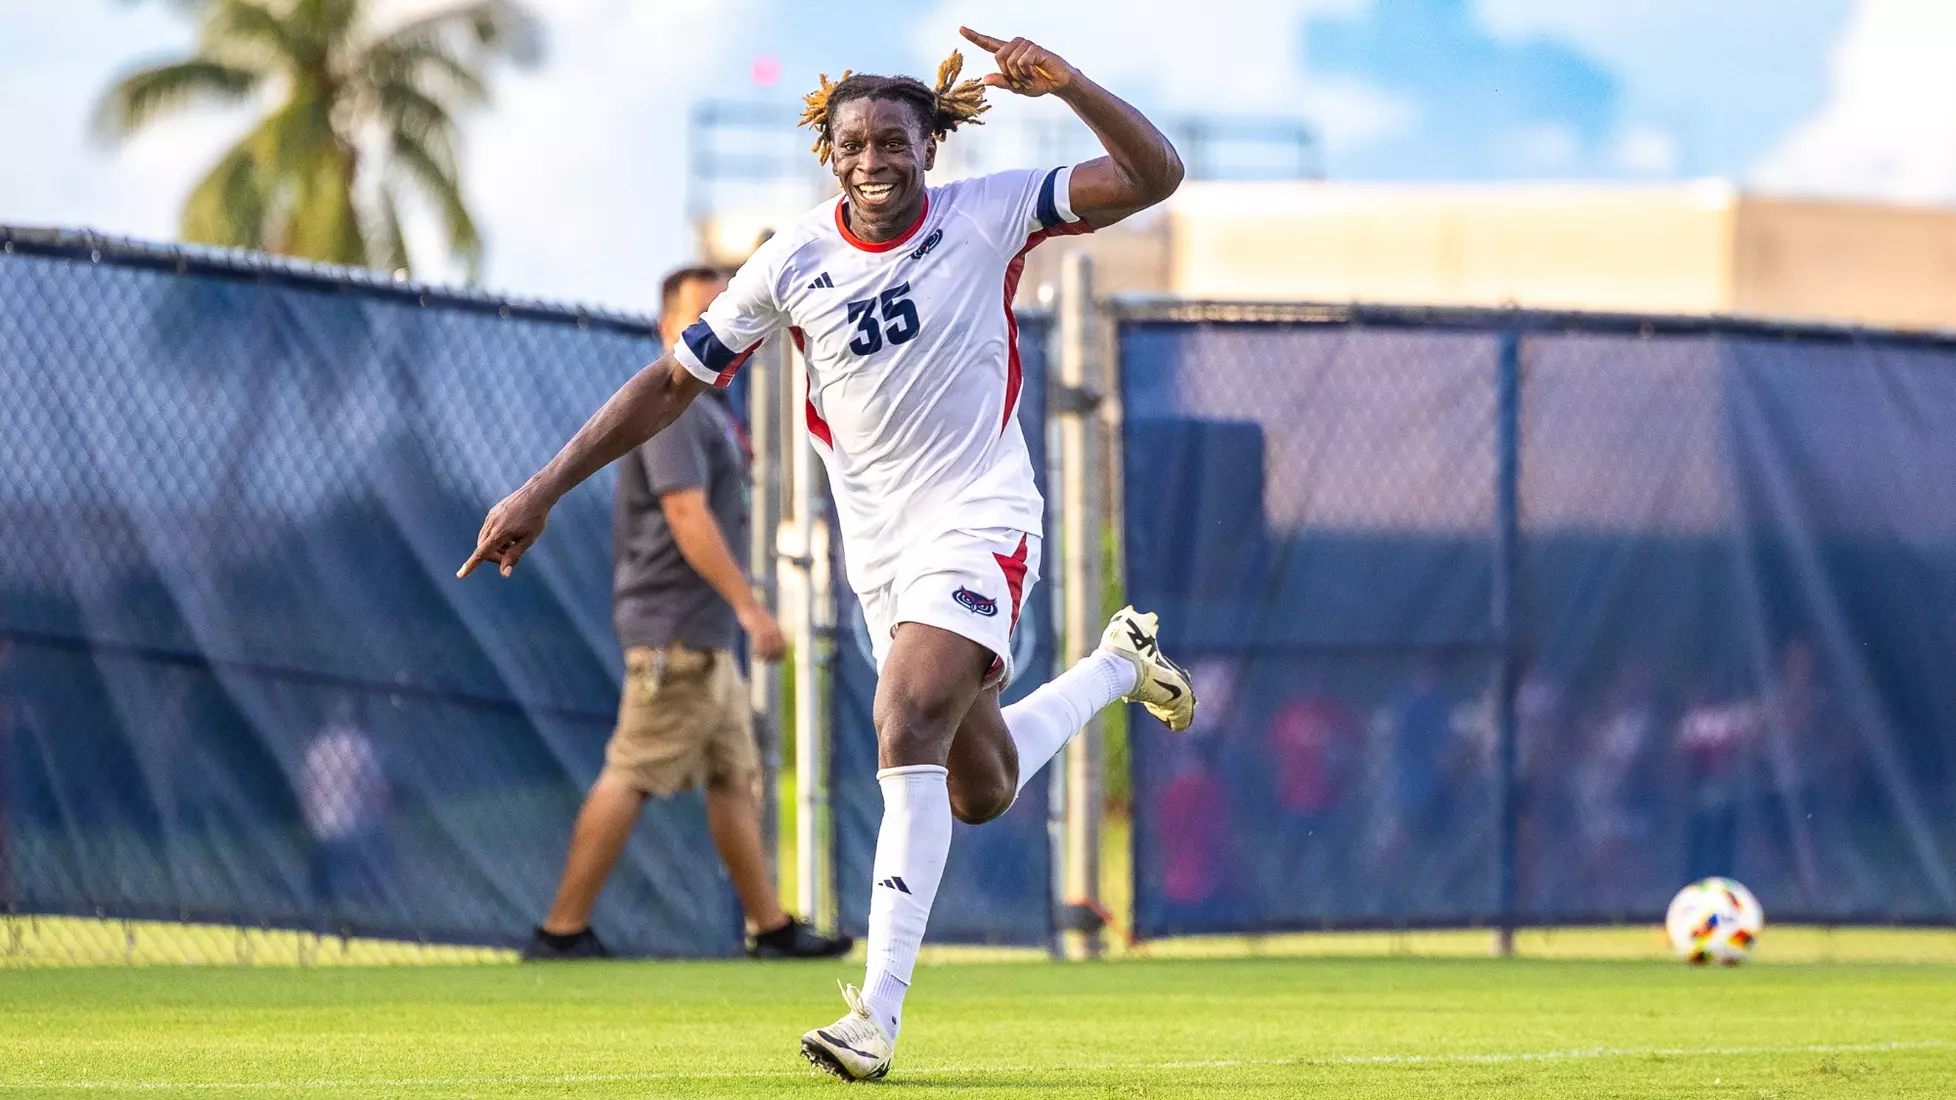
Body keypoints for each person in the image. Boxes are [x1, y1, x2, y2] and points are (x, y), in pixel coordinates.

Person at [459, 28, 1192, 1080]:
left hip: (982, 514)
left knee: (904, 714)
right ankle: (1120, 662)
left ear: (930, 147)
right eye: (854, 146)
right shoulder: (793, 259)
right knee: (977, 787)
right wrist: (539, 488)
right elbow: (672, 382)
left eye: (895, 142)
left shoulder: (989, 213)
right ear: (829, 154)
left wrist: (1069, 83)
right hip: (882, 554)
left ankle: (876, 1016)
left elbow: (1153, 176)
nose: (873, 162)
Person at [521, 266, 848, 961]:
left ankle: (770, 926)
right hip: (673, 632)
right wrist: (752, 611)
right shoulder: (671, 410)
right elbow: (684, 513)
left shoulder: (707, 412)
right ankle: (561, 931)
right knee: (633, 769)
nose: (716, 331)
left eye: (721, 314)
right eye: (699, 317)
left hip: (702, 636)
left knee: (733, 774)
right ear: (668, 328)